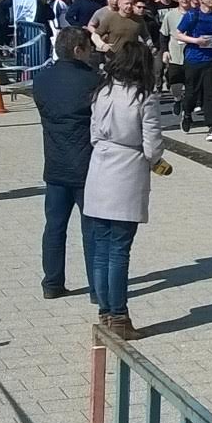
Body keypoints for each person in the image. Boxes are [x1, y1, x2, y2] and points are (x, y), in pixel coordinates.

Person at [83, 43, 164, 340]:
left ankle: (106, 311)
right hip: (127, 168)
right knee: (119, 249)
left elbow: (93, 133)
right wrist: (156, 160)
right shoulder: (144, 96)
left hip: (100, 165)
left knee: (101, 248)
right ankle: (119, 315)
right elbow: (152, 144)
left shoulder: (102, 91)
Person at [33, 28, 99, 301]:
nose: (93, 52)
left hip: (56, 162)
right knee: (92, 230)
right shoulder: (94, 81)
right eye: (89, 48)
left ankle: (52, 282)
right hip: (87, 164)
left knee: (54, 226)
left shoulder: (41, 79)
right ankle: (98, 289)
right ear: (77, 50)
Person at [173, 0, 212, 141]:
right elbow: (178, 34)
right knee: (192, 92)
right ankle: (187, 113)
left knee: (211, 93)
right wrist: (195, 41)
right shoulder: (192, 14)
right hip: (194, 59)